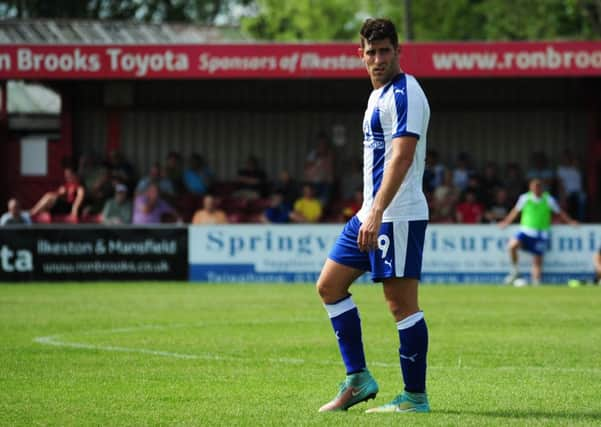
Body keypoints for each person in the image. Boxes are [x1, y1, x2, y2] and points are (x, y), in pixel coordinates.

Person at [316, 18, 431, 414]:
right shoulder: (376, 96)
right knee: (329, 286)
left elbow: (402, 155)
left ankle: (415, 398)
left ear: (398, 51)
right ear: (360, 55)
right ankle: (359, 379)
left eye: (385, 51)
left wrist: (378, 210)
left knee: (400, 305)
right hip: (372, 213)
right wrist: (370, 210)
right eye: (371, 52)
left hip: (396, 215)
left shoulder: (406, 93)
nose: (378, 58)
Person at [498, 178, 578, 286]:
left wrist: (570, 222)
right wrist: (506, 222)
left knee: (537, 260)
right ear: (531, 188)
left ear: (541, 189)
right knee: (512, 246)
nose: (536, 190)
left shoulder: (548, 199)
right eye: (534, 187)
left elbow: (559, 212)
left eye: (538, 188)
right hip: (525, 231)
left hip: (541, 234)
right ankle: (515, 270)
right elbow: (515, 211)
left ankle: (536, 283)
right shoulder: (525, 198)